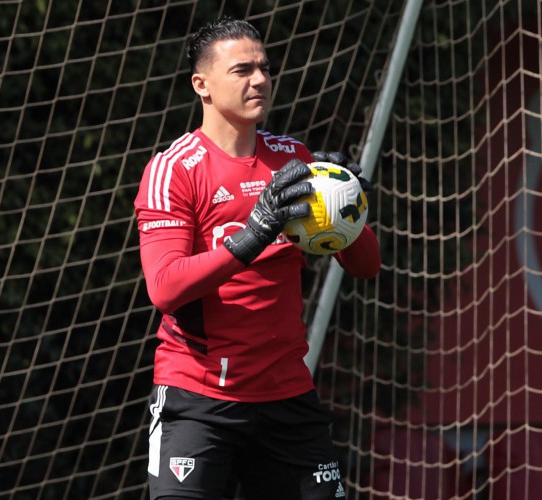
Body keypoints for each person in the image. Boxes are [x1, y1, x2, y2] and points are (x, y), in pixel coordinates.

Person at [134, 16, 380, 500]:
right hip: (199, 399)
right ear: (201, 85)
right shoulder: (174, 169)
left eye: (265, 68)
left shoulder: (296, 162)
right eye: (243, 70)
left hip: (287, 397)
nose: (261, 80)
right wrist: (254, 235)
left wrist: (347, 209)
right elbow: (164, 287)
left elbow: (366, 265)